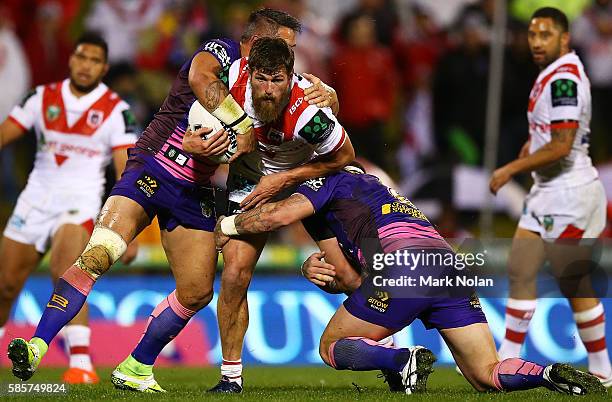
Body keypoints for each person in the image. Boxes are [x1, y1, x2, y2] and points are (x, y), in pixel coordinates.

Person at [6, 8, 337, 392]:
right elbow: (199, 75)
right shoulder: (223, 53)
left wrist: (330, 95)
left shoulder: (272, 81)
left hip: (195, 189)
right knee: (101, 251)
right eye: (287, 45)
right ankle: (35, 346)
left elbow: (324, 123)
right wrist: (242, 127)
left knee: (197, 291)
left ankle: (136, 367)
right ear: (260, 42)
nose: (293, 54)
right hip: (155, 167)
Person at [214, 164, 606, 396]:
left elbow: (277, 217)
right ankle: (547, 374)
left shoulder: (328, 180)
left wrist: (228, 224)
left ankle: (402, 360)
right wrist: (325, 275)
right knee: (486, 375)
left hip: (404, 266)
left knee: (331, 346)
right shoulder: (379, 192)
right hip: (448, 264)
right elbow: (354, 281)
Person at [188, 37, 354, 393]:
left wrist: (287, 178)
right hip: (249, 181)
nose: (267, 90)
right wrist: (191, 144)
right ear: (249, 73)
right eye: (261, 79)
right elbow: (197, 88)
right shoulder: (229, 85)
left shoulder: (308, 114)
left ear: (290, 77)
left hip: (306, 178)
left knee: (347, 273)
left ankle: (385, 351)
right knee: (234, 272)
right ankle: (230, 378)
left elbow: (344, 157)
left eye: (277, 80)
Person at [0, 33, 138, 384]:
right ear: (71, 59)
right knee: (5, 284)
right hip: (35, 199)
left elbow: (125, 170)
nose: (85, 65)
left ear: (103, 68)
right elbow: (6, 133)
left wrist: (129, 226)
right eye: (81, 57)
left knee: (67, 271)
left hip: (81, 203)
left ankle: (81, 365)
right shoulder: (41, 97)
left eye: (94, 60)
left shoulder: (116, 111)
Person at [489, 7, 611, 387]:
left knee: (574, 281)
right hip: (548, 191)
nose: (536, 42)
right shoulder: (552, 76)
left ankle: (602, 369)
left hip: (570, 193)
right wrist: (532, 145)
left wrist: (511, 168)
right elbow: (551, 134)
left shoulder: (564, 82)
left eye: (545, 35)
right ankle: (507, 359)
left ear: (564, 38)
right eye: (532, 34)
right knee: (520, 269)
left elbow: (562, 145)